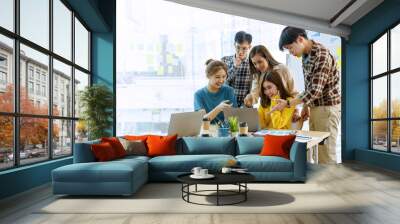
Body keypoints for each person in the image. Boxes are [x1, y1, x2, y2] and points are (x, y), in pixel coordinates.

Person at [276, 27, 341, 164]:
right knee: (316, 149)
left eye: (290, 48)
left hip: (327, 109)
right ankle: (319, 184)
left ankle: (330, 185)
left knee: (326, 154)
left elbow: (314, 91)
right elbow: (309, 85)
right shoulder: (305, 55)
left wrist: (287, 104)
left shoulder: (321, 55)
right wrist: (306, 106)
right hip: (317, 107)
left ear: (300, 39)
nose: (291, 52)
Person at [244, 45, 298, 117]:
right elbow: (254, 94)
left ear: (267, 58)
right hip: (270, 113)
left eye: (260, 62)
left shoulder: (282, 69)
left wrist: (296, 110)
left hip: (286, 112)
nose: (257, 66)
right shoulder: (257, 75)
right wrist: (250, 99)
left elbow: (293, 92)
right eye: (254, 63)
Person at [194, 59, 237, 124]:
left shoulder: (229, 91)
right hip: (207, 130)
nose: (221, 80)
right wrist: (218, 108)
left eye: (224, 76)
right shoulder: (199, 95)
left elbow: (234, 118)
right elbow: (202, 121)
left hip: (225, 131)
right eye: (217, 77)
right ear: (208, 76)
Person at [221, 31, 253, 107]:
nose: (240, 52)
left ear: (249, 47)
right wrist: (235, 67)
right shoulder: (225, 60)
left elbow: (254, 87)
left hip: (245, 105)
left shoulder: (253, 63)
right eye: (238, 47)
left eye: (244, 48)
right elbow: (223, 82)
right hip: (227, 104)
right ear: (234, 45)